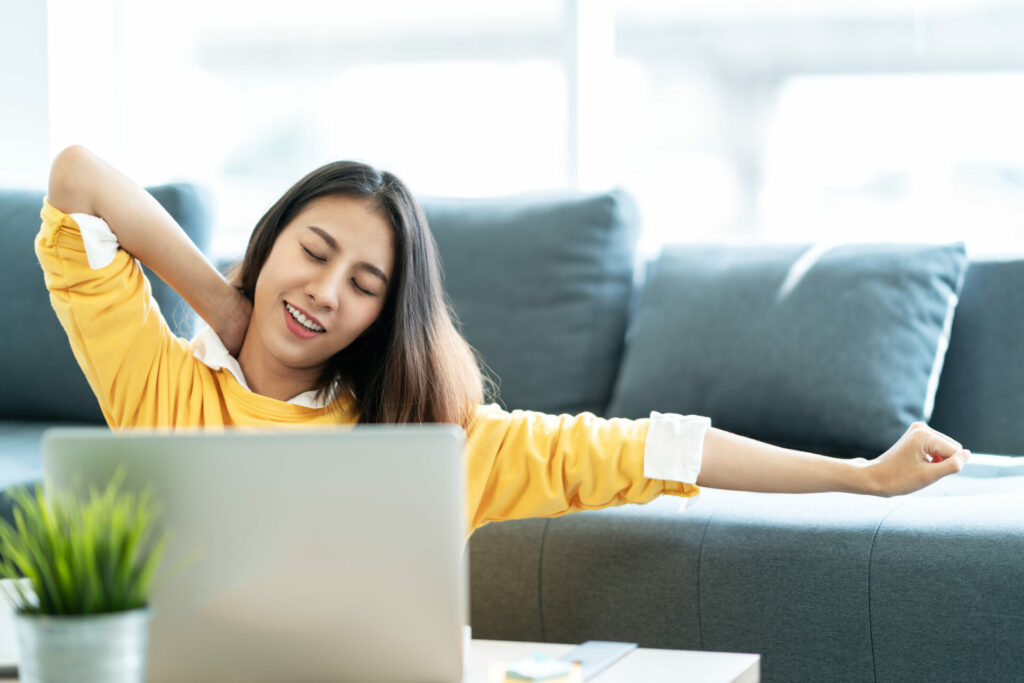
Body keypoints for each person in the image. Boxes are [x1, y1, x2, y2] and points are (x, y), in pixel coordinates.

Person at [38, 145, 970, 535]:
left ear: (382, 319)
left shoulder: (427, 442)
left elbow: (659, 447)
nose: (325, 292)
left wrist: (860, 475)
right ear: (269, 241)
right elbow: (78, 175)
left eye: (365, 284)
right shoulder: (158, 383)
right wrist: (224, 304)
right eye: (313, 252)